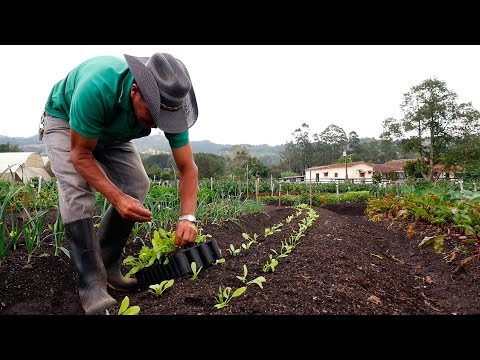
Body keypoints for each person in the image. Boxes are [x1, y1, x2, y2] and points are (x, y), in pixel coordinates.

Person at [41, 52, 199, 315]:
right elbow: (80, 155)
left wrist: (188, 217)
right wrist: (117, 198)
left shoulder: (169, 105)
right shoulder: (98, 86)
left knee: (137, 184)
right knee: (78, 192)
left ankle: (108, 265)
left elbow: (187, 168)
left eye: (164, 119)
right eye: (153, 116)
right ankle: (91, 283)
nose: (160, 125)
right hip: (66, 121)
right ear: (136, 91)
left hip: (112, 131)